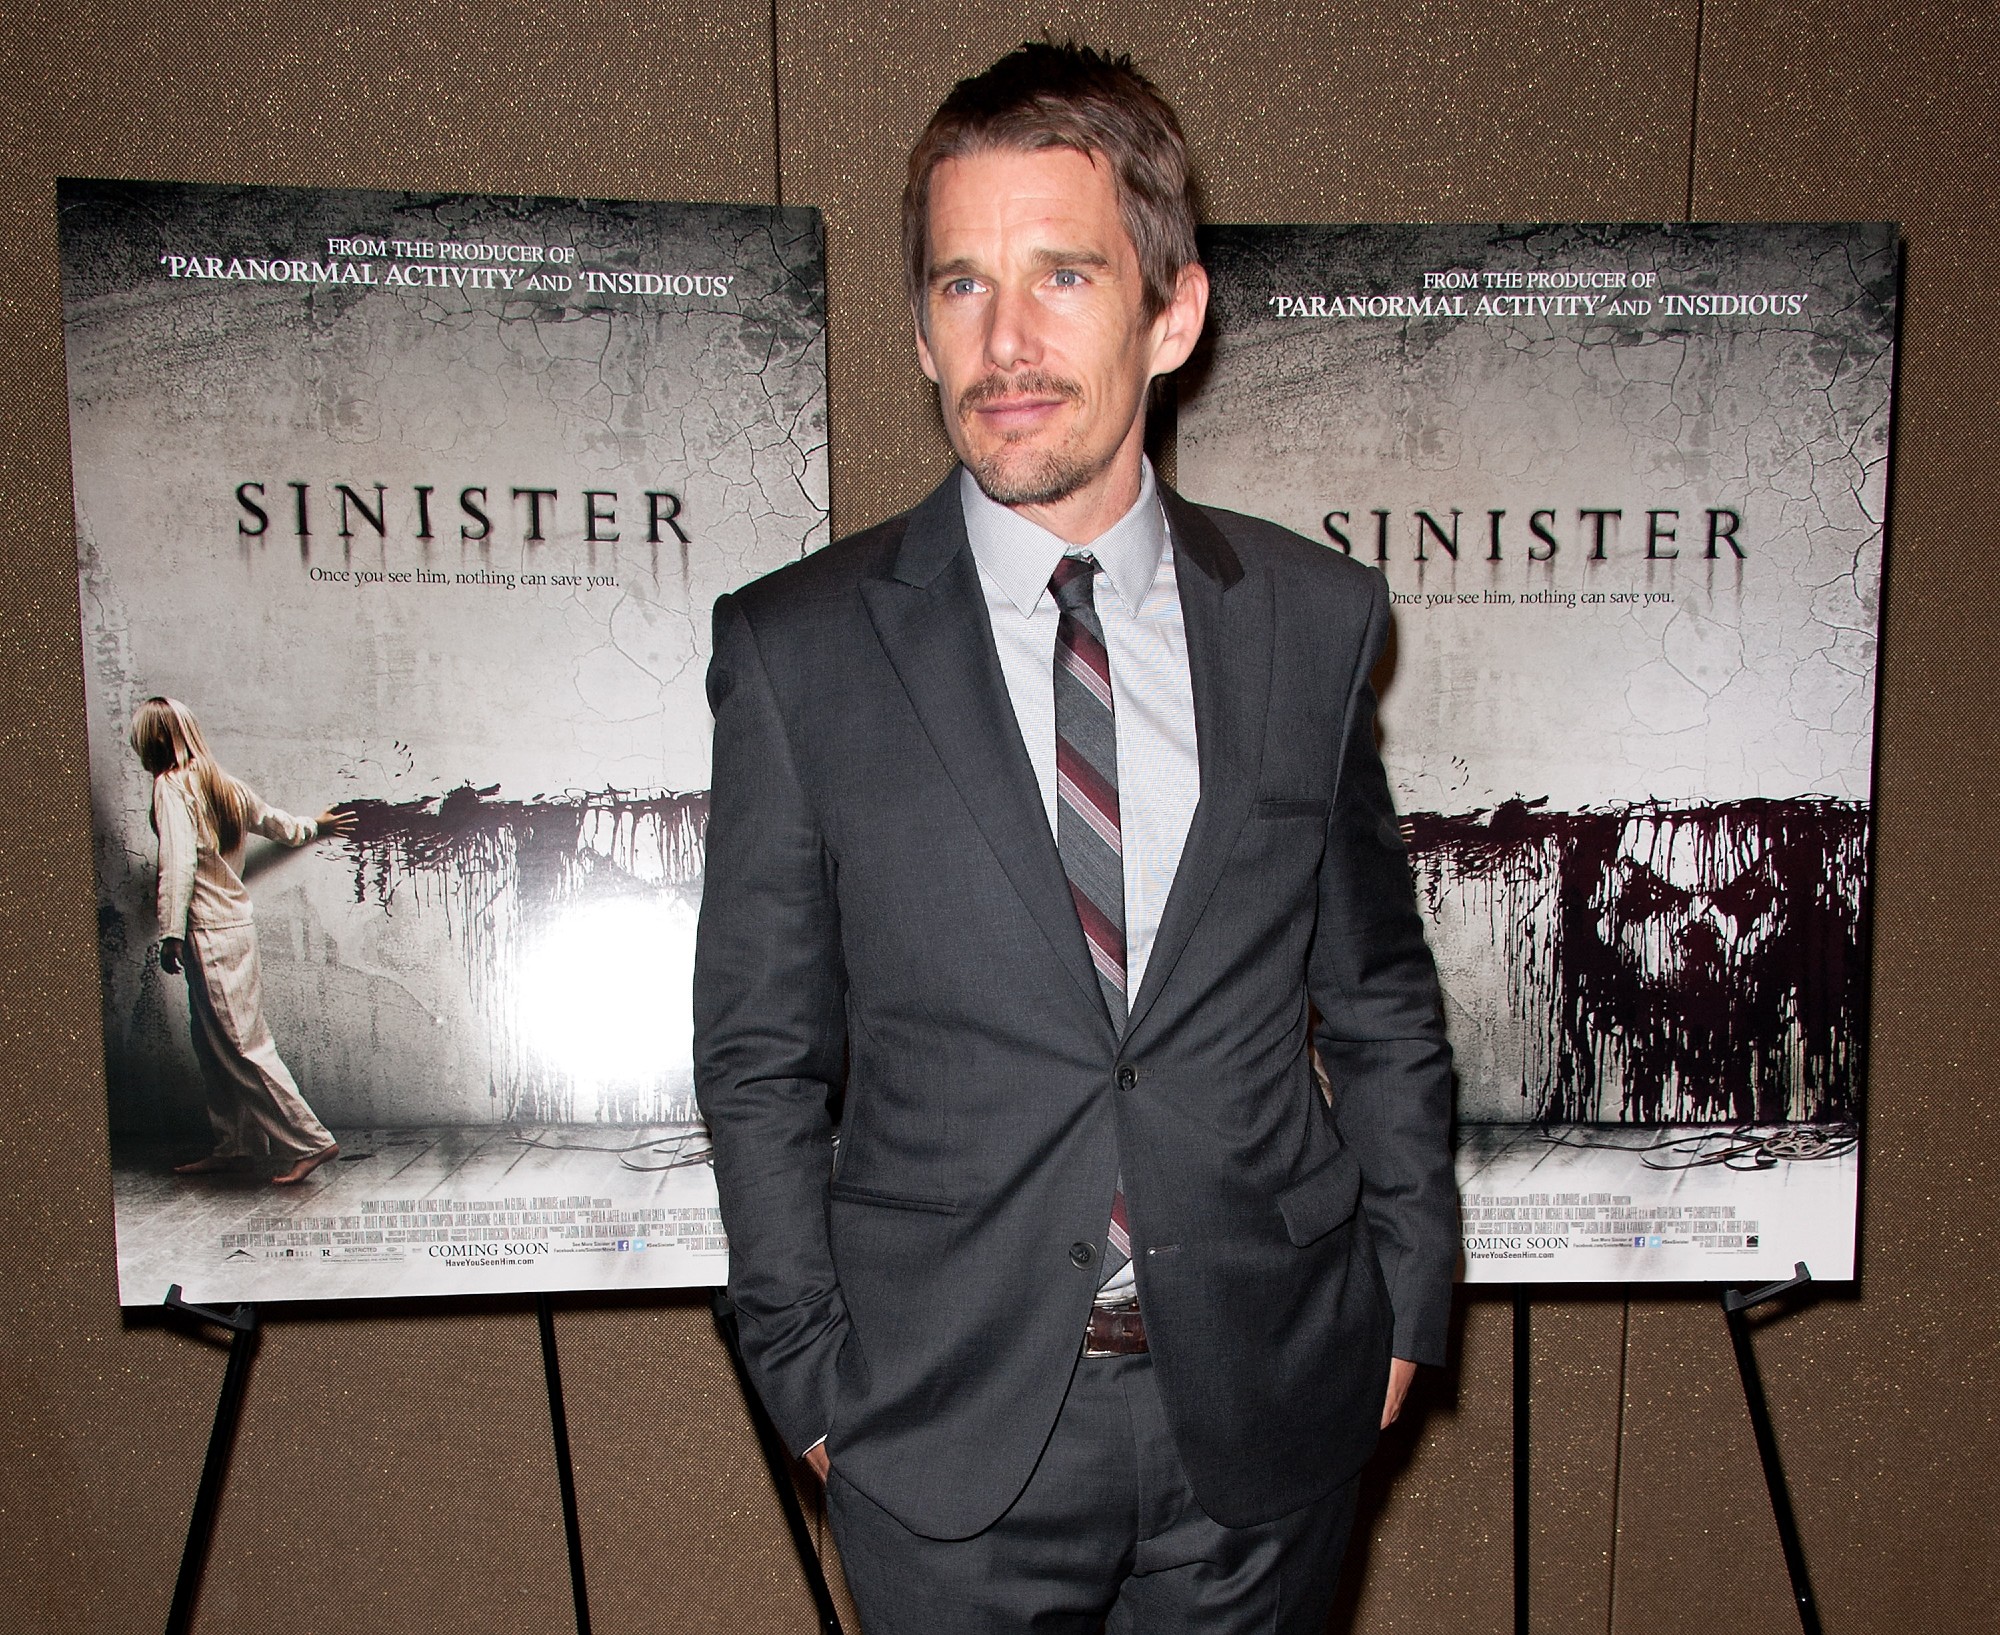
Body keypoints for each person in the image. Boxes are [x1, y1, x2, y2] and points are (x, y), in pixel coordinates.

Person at [693, 42, 1457, 1634]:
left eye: (1062, 274)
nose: (1007, 339)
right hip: (942, 1425)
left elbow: (1379, 996)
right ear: (917, 324)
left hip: (1270, 1405)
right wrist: (808, 1374)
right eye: (962, 285)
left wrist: (1404, 1302)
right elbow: (762, 1052)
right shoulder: (799, 649)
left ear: (1171, 312)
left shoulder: (1309, 623)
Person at [129, 696, 351, 1186]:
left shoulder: (171, 787)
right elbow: (275, 821)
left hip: (209, 930)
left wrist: (169, 933)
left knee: (242, 1044)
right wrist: (314, 825)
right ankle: (238, 1145)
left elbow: (178, 864)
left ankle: (311, 1141)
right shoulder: (221, 783)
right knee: (214, 1046)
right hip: (233, 928)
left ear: (156, 741)